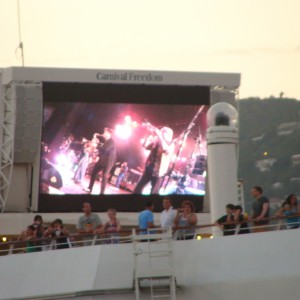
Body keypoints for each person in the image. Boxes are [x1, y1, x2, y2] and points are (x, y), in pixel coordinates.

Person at [133, 125, 177, 194]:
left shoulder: (171, 144)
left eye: (163, 132)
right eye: (161, 132)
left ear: (168, 134)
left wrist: (159, 135)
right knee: (139, 187)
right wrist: (149, 135)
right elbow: (145, 146)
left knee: (154, 192)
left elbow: (164, 148)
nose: (161, 134)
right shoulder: (157, 142)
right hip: (150, 168)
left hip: (159, 171)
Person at [84, 127, 116, 194]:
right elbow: (102, 151)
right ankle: (89, 188)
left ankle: (102, 193)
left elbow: (105, 149)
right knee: (94, 172)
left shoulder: (111, 141)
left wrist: (96, 145)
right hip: (102, 160)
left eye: (105, 132)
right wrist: (97, 154)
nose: (103, 133)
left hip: (108, 162)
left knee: (104, 176)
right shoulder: (106, 141)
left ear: (108, 133)